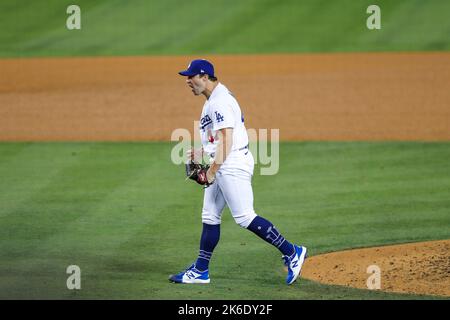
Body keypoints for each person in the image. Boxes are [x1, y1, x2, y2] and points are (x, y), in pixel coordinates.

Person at [169, 59, 307, 285]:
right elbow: (219, 138)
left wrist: (212, 171)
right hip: (225, 161)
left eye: (191, 76)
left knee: (244, 216)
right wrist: (203, 150)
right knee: (210, 216)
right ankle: (201, 270)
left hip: (231, 164)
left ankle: (292, 251)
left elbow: (227, 139)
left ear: (205, 77)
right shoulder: (214, 100)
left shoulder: (219, 102)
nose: (187, 81)